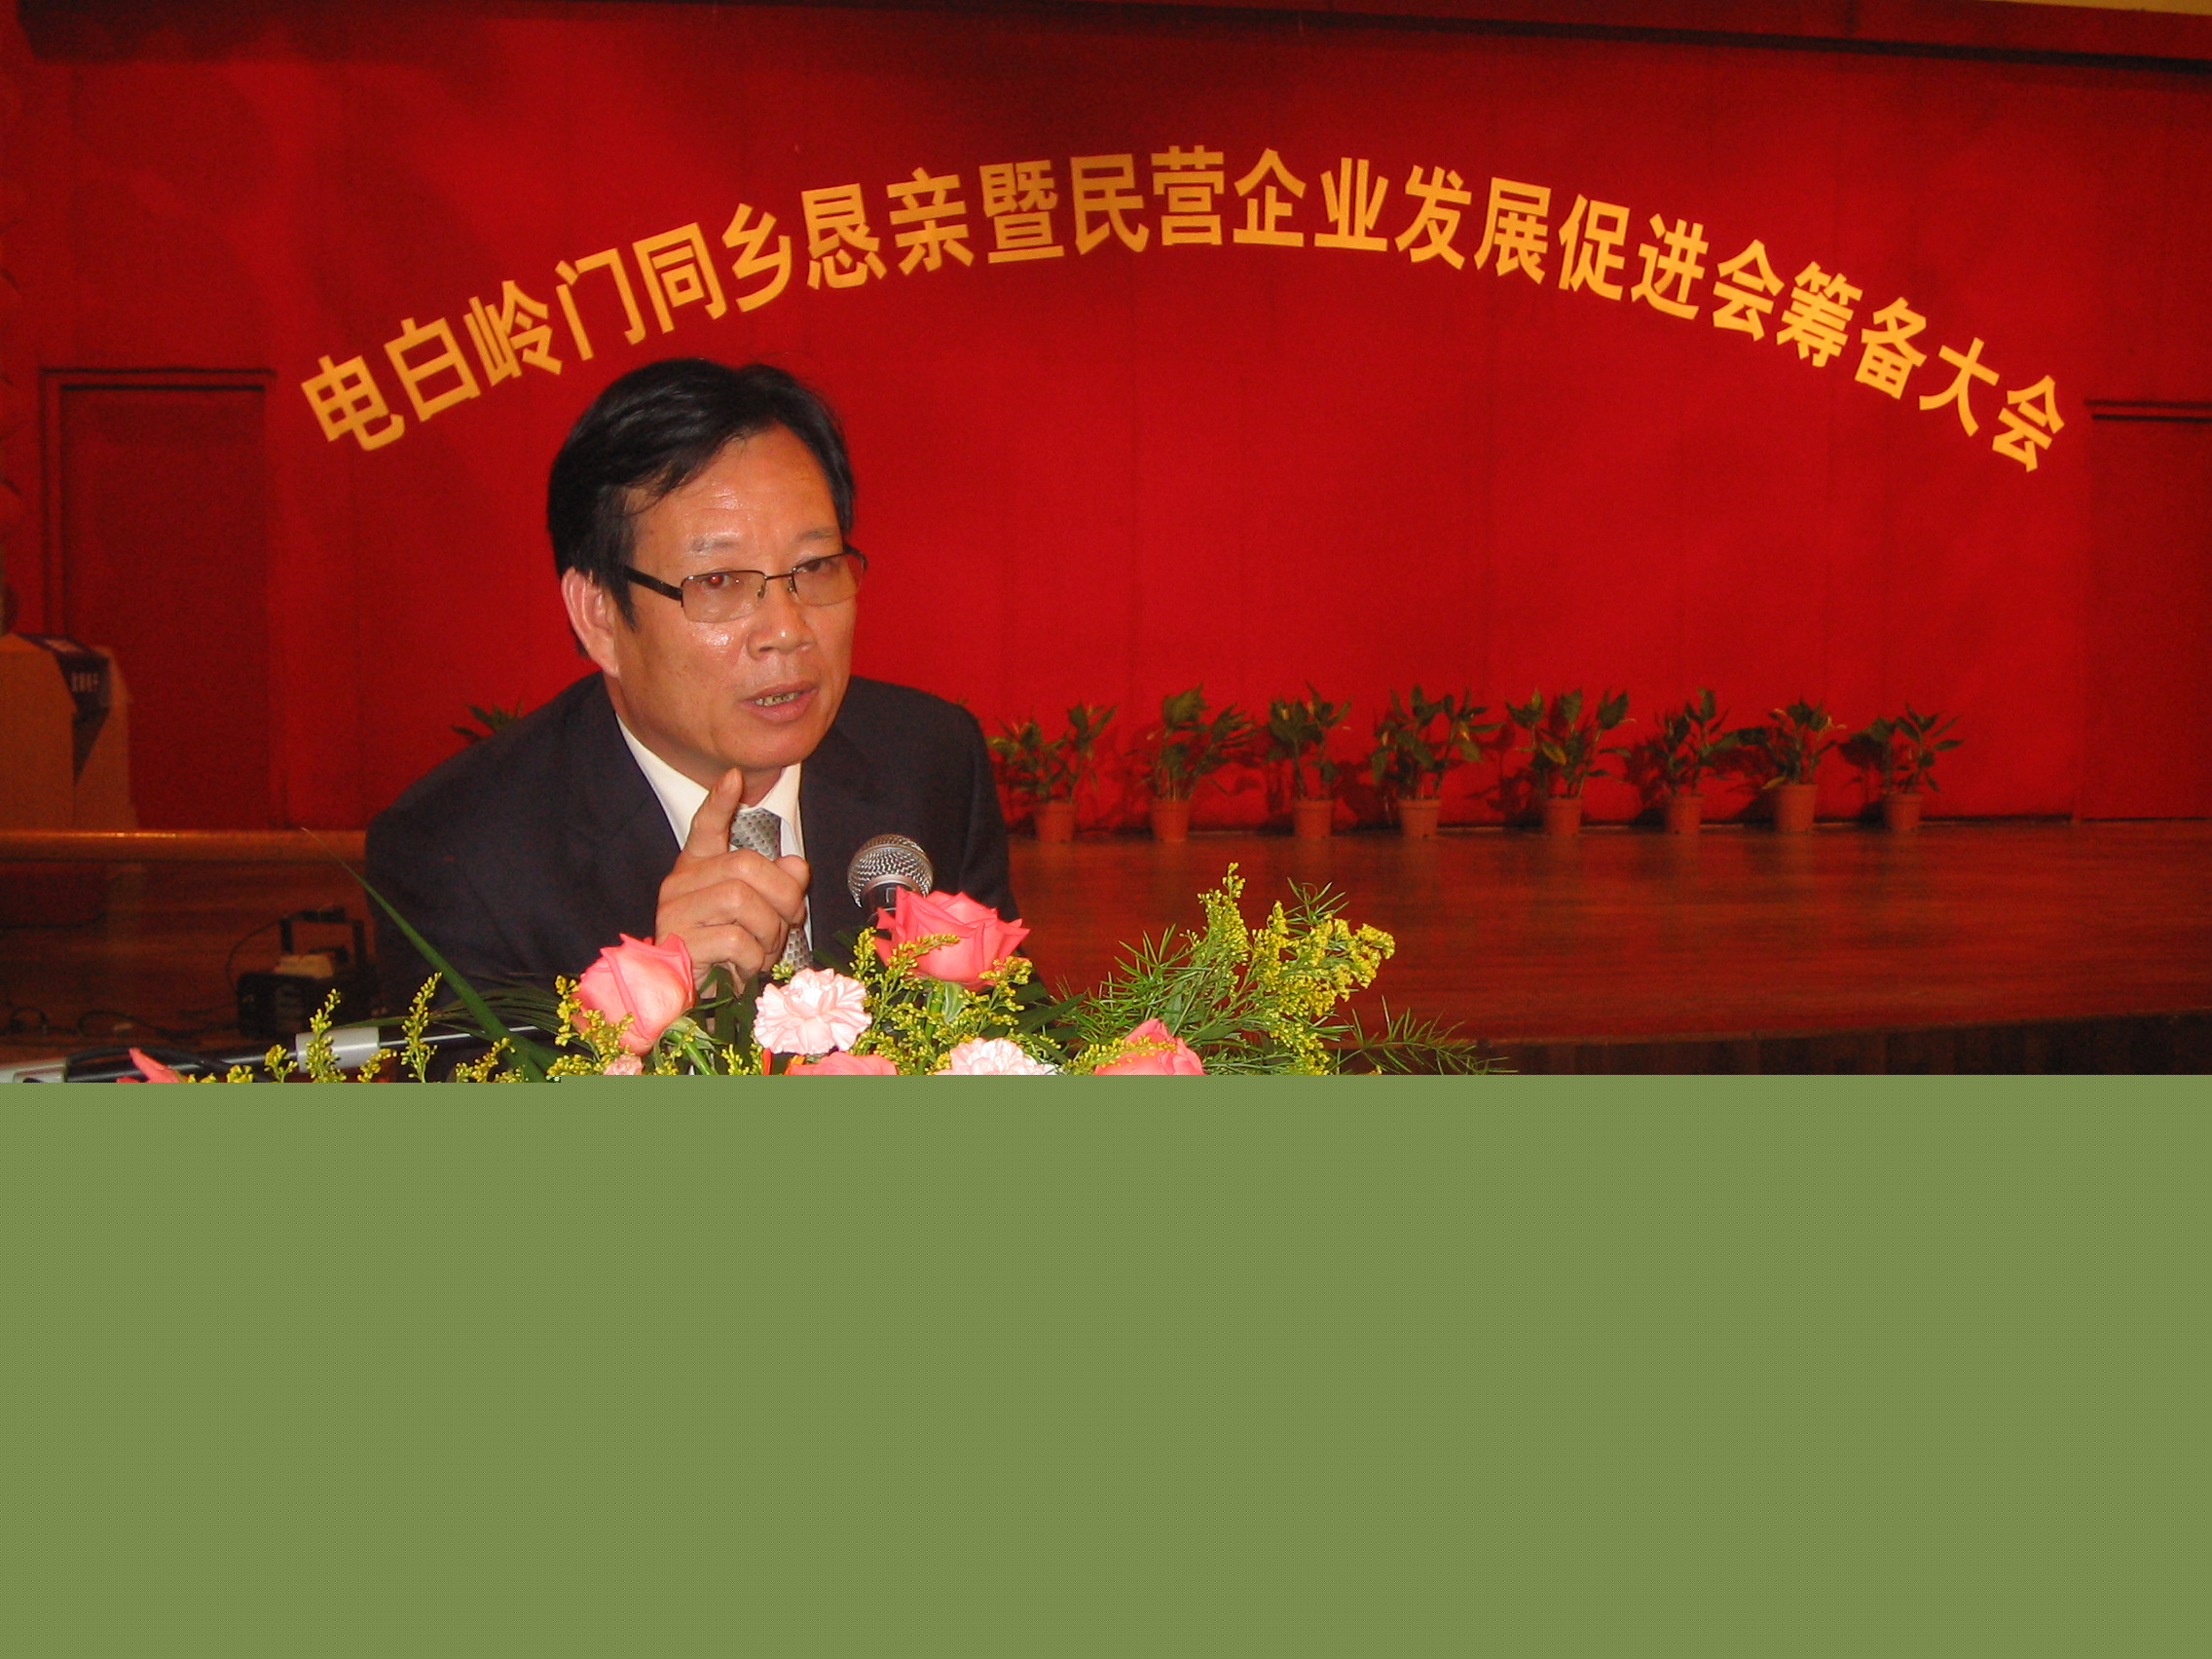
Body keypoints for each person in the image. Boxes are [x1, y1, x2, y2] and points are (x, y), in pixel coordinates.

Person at [366, 358, 1015, 1008]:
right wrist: (655, 1019)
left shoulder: (929, 762)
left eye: (816, 566)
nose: (786, 630)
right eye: (718, 582)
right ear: (600, 616)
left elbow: (1008, 1032)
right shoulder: (461, 858)